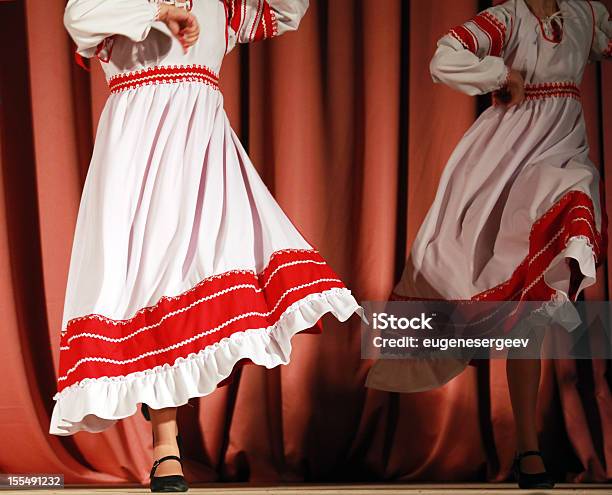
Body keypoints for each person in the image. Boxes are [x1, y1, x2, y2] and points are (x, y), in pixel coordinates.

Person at [50, 0, 364, 492]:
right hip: (138, 158)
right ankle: (165, 446)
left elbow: (287, 10)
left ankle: (171, 439)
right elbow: (79, 16)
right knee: (149, 286)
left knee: (212, 272)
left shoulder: (222, 6)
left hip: (204, 155)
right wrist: (157, 12)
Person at [366, 0, 611, 490]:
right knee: (525, 306)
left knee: (573, 198)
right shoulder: (509, 16)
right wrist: (499, 75)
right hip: (505, 156)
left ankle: (529, 448)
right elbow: (446, 56)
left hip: (562, 148)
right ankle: (528, 447)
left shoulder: (586, 14)